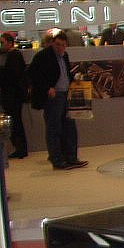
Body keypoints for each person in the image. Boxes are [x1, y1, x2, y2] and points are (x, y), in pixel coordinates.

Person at [28, 31, 87, 169]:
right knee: (54, 128)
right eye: (58, 45)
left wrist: (74, 80)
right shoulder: (44, 56)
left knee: (69, 127)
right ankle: (57, 159)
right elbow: (32, 73)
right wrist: (47, 88)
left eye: (63, 45)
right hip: (54, 97)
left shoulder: (64, 55)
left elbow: (64, 73)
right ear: (53, 43)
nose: (60, 48)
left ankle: (71, 157)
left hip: (65, 94)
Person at [1, 32, 28, 158]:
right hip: (14, 95)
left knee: (15, 122)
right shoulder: (13, 55)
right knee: (16, 122)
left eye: (3, 42)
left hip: (13, 96)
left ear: (9, 42)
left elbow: (12, 76)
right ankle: (20, 148)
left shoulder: (14, 56)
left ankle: (20, 149)